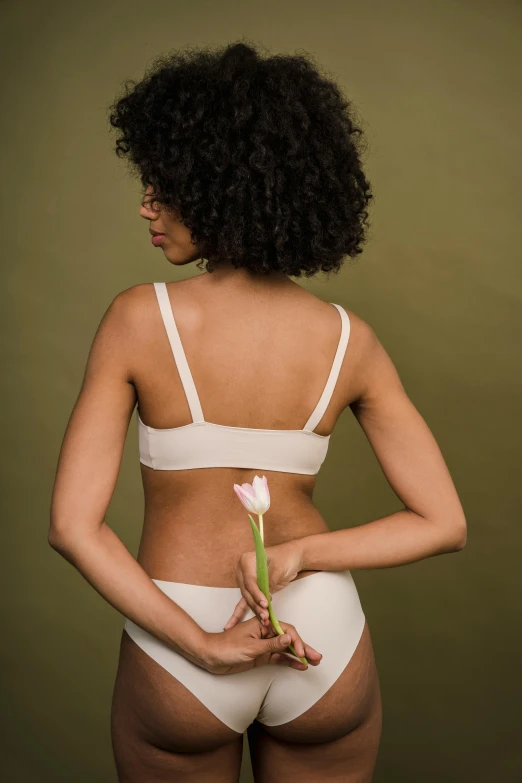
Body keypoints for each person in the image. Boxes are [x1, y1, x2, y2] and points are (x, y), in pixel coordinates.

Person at [49, 40, 466, 783]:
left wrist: (202, 646)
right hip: (321, 640)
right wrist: (302, 553)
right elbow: (445, 522)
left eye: (166, 182)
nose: (147, 203)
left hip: (180, 641)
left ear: (217, 185)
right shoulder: (349, 340)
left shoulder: (139, 319)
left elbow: (72, 527)